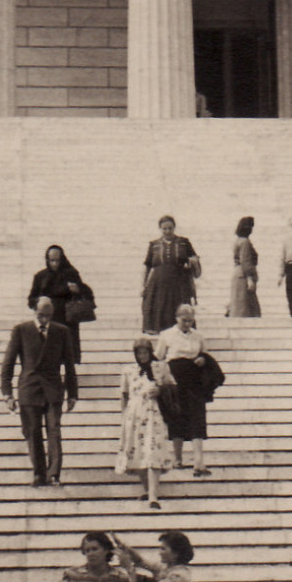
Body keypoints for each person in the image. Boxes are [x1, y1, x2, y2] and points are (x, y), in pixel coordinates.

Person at [1, 297, 79, 487]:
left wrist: (73, 393)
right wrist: (7, 393)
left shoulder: (61, 332)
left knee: (54, 431)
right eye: (41, 315)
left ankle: (54, 474)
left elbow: (69, 364)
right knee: (32, 432)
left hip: (53, 389)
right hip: (29, 388)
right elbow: (8, 362)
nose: (44, 319)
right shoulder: (21, 330)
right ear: (34, 311)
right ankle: (39, 473)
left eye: (48, 316)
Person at [116, 337, 176, 509]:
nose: (142, 356)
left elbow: (173, 387)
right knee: (137, 453)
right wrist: (123, 416)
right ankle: (147, 489)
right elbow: (124, 394)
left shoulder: (160, 367)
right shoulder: (128, 370)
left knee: (152, 452)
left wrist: (160, 390)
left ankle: (153, 496)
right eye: (139, 353)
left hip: (153, 414)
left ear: (151, 353)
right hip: (134, 415)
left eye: (145, 352)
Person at [156, 304, 213, 477]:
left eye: (190, 320)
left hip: (194, 380)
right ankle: (178, 459)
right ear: (176, 318)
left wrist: (202, 359)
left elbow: (205, 354)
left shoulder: (198, 336)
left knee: (197, 418)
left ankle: (198, 463)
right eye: (183, 320)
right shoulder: (166, 335)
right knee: (176, 417)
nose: (187, 323)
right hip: (175, 380)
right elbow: (158, 358)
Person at [142, 216, 200, 334]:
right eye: (164, 229)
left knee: (178, 306)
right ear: (160, 229)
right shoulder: (154, 245)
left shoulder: (184, 242)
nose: (167, 231)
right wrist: (143, 286)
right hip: (158, 282)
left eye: (170, 228)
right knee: (159, 307)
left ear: (174, 228)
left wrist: (190, 263)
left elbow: (194, 258)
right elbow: (147, 266)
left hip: (179, 282)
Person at [28, 244, 89, 338]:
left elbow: (87, 294)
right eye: (52, 260)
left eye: (58, 260)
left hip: (68, 321)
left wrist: (78, 290)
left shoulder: (71, 274)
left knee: (69, 349)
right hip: (48, 320)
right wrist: (40, 301)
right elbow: (31, 300)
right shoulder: (40, 277)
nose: (55, 264)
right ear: (47, 260)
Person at [227, 217, 261, 319]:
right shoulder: (245, 242)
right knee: (244, 307)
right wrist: (250, 278)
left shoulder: (238, 241)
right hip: (243, 275)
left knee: (240, 304)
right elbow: (245, 261)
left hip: (238, 274)